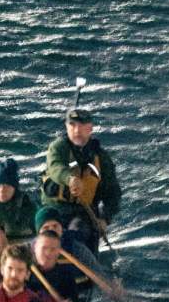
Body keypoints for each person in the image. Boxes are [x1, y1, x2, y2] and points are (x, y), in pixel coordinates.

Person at [41, 107, 121, 250]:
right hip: (54, 208)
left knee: (77, 233)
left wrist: (105, 218)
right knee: (48, 233)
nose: (76, 130)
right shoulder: (58, 148)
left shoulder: (101, 158)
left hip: (82, 212)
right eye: (72, 125)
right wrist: (69, 179)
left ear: (90, 128)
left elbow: (113, 193)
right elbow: (55, 167)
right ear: (66, 127)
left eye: (82, 126)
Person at [27, 229, 85, 302]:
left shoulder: (66, 274)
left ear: (58, 252)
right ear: (35, 249)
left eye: (53, 249)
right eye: (44, 248)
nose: (48, 253)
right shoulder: (25, 272)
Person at [0, 158, 37, 241]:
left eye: (7, 186)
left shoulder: (27, 206)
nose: (2, 190)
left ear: (14, 188)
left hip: (22, 247)